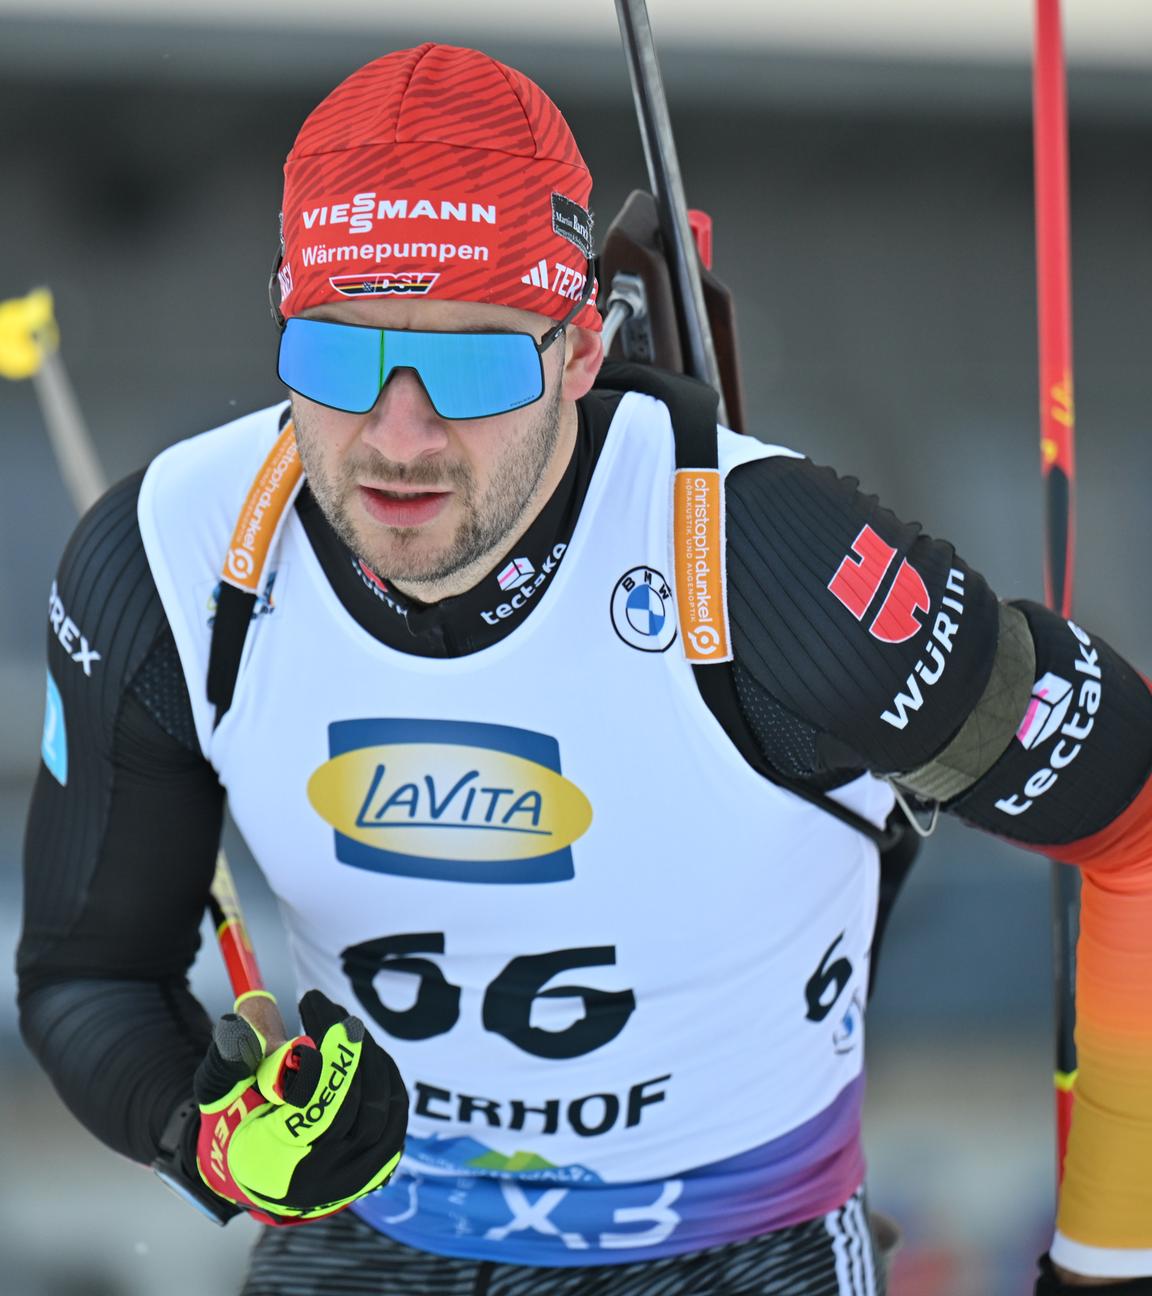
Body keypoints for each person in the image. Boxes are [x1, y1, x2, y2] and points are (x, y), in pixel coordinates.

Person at [16, 41, 1152, 1296]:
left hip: (734, 1242)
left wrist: (1109, 1262)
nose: (400, 438)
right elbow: (89, 976)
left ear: (579, 350)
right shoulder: (172, 558)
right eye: (340, 353)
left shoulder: (759, 563)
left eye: (472, 361)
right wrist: (216, 1139)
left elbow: (1134, 820)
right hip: (369, 1237)